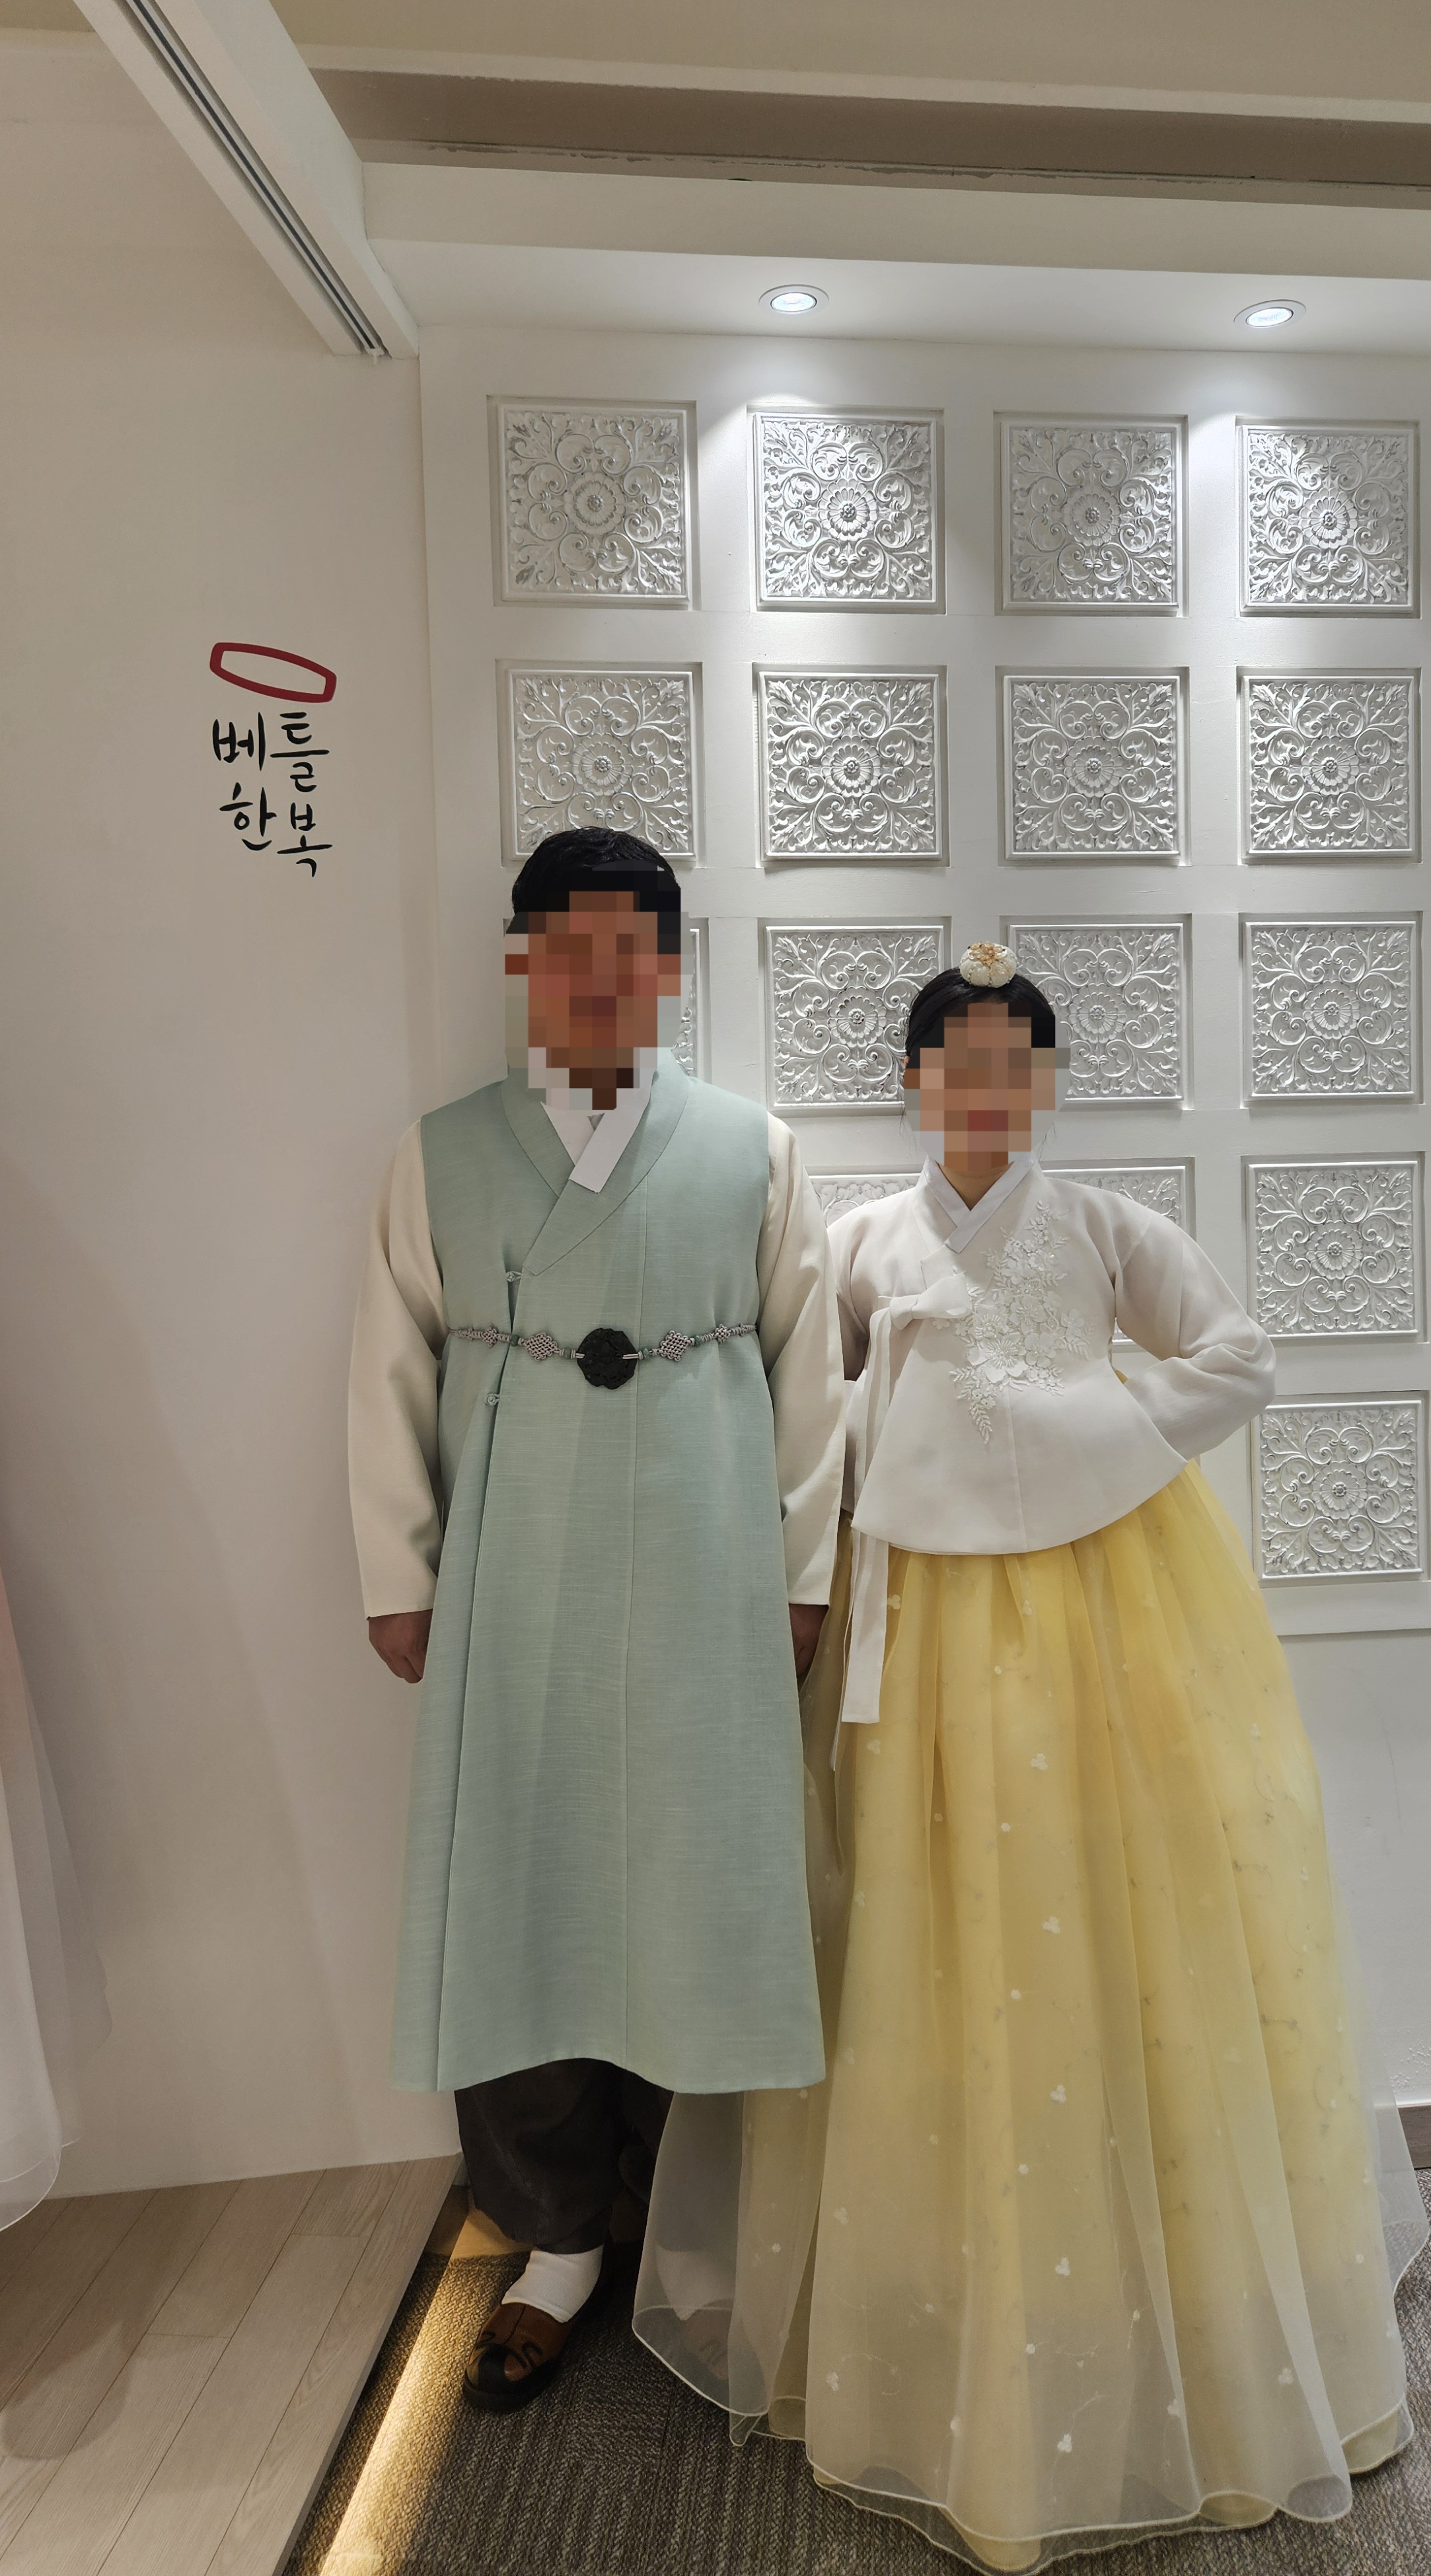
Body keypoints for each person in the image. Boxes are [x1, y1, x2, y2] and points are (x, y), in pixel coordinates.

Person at [636, 941, 1427, 2571]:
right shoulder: (863, 1240)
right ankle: (940, 2278)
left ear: (1045, 1080)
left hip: (1103, 1616)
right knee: (928, 1914)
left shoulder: (1105, 1229)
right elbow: (805, 1417)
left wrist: (1071, 1431)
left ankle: (1166, 2277)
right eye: (957, 1061)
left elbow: (1238, 1357)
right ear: (913, 1081)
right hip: (918, 1626)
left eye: (1014, 1060)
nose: (985, 1089)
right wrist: (864, 1475)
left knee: (1118, 1900)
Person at [349, 827, 844, 2413]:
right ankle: (557, 2239)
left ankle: (702, 2226)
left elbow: (811, 1374)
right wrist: (399, 1570)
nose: (598, 974)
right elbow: (389, 1363)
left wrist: (802, 1572)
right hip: (517, 1571)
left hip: (705, 1562)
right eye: (566, 943)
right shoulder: (441, 1151)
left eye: (630, 945)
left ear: (669, 963)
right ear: (525, 957)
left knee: (697, 1890)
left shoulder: (751, 1146)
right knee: (526, 1888)